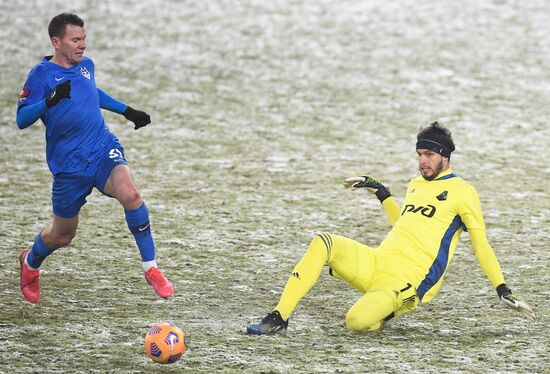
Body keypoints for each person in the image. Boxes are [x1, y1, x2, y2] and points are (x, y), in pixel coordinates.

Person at [247, 121, 535, 334]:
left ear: (445, 156)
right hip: (379, 261)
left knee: (356, 322)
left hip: (406, 280)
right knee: (324, 242)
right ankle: (279, 317)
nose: (423, 160)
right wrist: (382, 193)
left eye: (429, 155)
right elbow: (405, 226)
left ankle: (386, 308)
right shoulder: (415, 185)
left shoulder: (464, 192)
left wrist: (502, 288)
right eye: (420, 154)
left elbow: (481, 244)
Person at [16, 13, 173, 303]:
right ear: (56, 42)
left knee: (132, 194)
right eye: (76, 40)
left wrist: (127, 110)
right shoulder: (41, 76)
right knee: (61, 236)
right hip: (69, 167)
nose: (83, 45)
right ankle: (31, 262)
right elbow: (22, 119)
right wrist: (48, 101)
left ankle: (150, 268)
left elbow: (91, 92)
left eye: (84, 38)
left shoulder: (87, 66)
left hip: (102, 149)